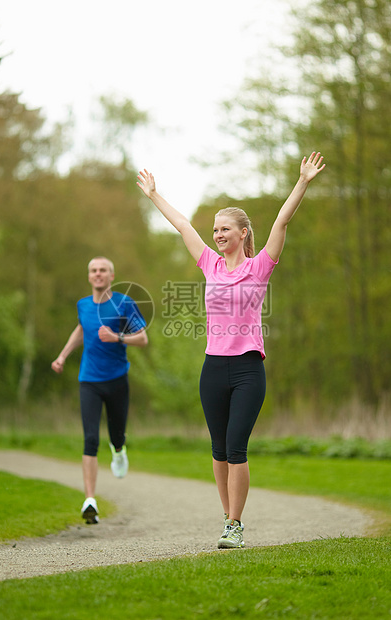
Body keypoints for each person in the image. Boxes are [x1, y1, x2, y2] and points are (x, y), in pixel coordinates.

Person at [137, 152, 325, 548]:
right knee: (219, 449)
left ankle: (236, 525)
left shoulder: (259, 268)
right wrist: (155, 195)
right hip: (213, 369)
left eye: (225, 229)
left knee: (237, 447)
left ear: (242, 233)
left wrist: (303, 182)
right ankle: (227, 518)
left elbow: (281, 221)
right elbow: (183, 225)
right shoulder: (210, 265)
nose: (218, 234)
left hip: (247, 370)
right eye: (216, 229)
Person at [51, 256, 148, 524]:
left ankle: (119, 449)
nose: (98, 274)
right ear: (89, 276)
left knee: (116, 434)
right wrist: (62, 356)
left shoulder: (123, 303)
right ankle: (90, 500)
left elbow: (142, 338)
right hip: (89, 380)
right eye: (93, 270)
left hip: (117, 380)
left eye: (102, 270)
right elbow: (81, 329)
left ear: (111, 275)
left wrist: (117, 337)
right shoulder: (83, 305)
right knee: (90, 438)